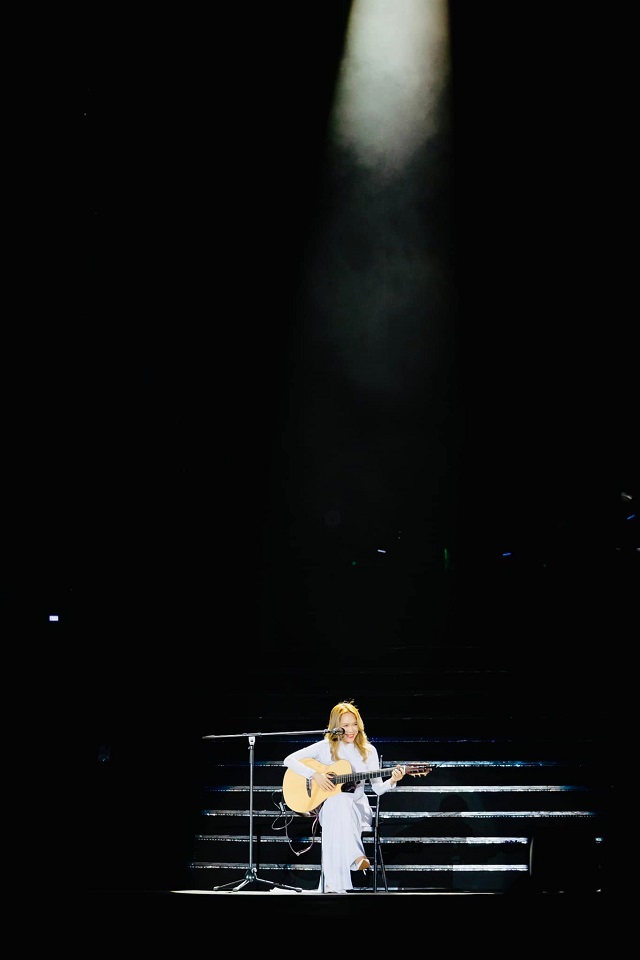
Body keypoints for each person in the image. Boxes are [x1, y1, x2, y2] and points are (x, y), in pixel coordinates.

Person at [283, 700, 415, 894]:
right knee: (338, 800)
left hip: (358, 809)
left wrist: (393, 780)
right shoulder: (325, 747)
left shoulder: (368, 751)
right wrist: (315, 775)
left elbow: (378, 789)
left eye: (354, 724)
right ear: (336, 727)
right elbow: (289, 760)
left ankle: (333, 884)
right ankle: (355, 856)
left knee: (342, 801)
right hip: (332, 809)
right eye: (345, 725)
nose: (351, 730)